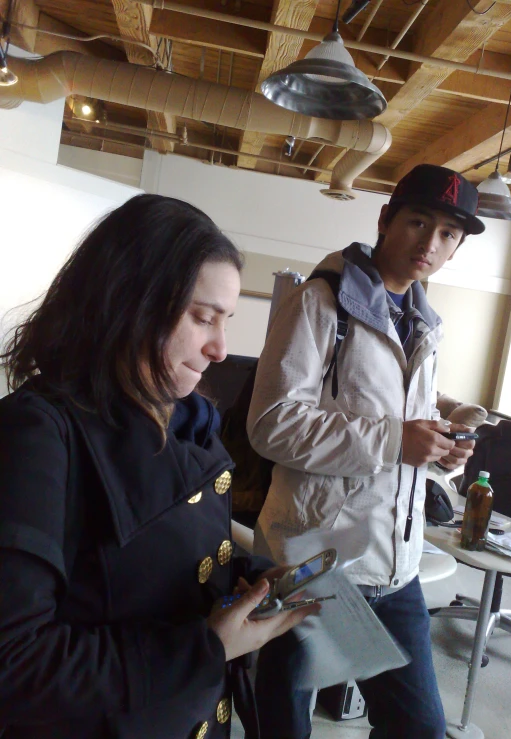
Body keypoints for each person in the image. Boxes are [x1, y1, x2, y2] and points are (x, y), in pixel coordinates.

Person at [0, 194, 317, 739]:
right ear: (128, 303)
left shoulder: (186, 420)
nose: (220, 348)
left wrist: (243, 583)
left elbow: (152, 562)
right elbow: (16, 664)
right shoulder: (38, 434)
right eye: (202, 318)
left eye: (227, 321)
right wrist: (207, 648)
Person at [247, 164, 484, 739]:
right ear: (385, 220)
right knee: (284, 726)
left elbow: (398, 421)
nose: (430, 243)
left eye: (448, 234)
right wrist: (396, 442)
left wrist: (441, 452)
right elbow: (271, 424)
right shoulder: (319, 303)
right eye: (418, 222)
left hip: (396, 569)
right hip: (312, 565)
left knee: (418, 728)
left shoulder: (424, 323)